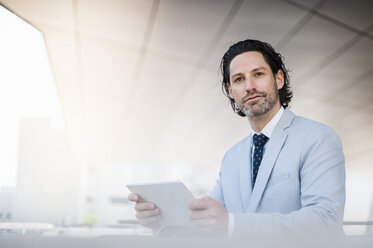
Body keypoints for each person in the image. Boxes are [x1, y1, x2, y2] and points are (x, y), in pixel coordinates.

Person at [128, 39, 346, 237]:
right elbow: (209, 223)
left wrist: (232, 224)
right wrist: (161, 220)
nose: (249, 86)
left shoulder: (318, 138)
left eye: (258, 74)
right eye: (239, 79)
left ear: (279, 79)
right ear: (231, 90)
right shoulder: (233, 156)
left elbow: (325, 221)